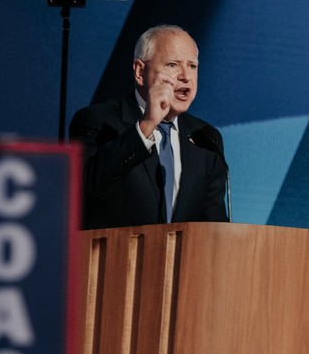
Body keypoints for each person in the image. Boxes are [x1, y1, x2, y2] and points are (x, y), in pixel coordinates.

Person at [69, 25, 228, 229]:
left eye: (192, 66)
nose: (186, 76)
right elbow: (86, 190)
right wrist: (146, 125)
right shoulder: (96, 121)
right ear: (140, 71)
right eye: (172, 65)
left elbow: (213, 227)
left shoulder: (205, 138)